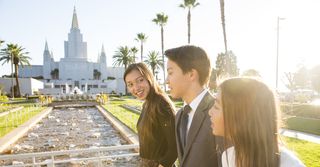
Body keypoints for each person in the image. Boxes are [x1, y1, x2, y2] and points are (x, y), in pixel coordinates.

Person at [208, 77, 305, 167]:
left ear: (242, 116)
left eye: (216, 106)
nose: (210, 112)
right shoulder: (228, 157)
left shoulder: (289, 164)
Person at [165, 45, 220, 167]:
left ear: (191, 74)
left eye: (170, 73)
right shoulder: (180, 115)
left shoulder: (219, 111)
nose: (166, 80)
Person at [124, 63, 177, 167]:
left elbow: (174, 147)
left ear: (149, 78)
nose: (136, 87)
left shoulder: (161, 104)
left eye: (140, 80)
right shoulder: (148, 103)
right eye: (130, 84)